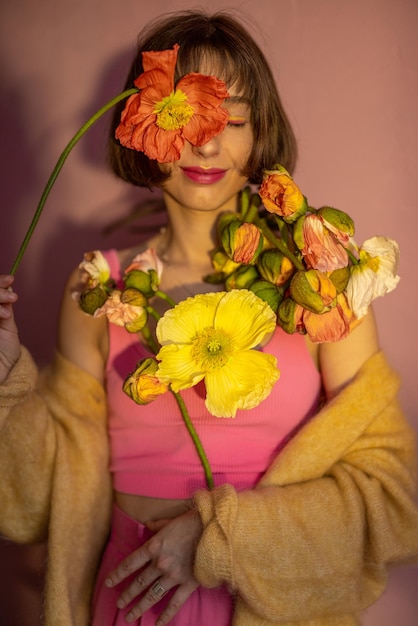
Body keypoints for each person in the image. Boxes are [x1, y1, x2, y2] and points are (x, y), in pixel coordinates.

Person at [0, 9, 417, 626]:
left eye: (235, 118)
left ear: (260, 131)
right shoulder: (98, 288)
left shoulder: (319, 282)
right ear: (143, 127)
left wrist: (221, 536)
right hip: (131, 599)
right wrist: (7, 383)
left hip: (278, 608)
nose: (206, 142)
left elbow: (394, 501)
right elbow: (37, 505)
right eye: (187, 117)